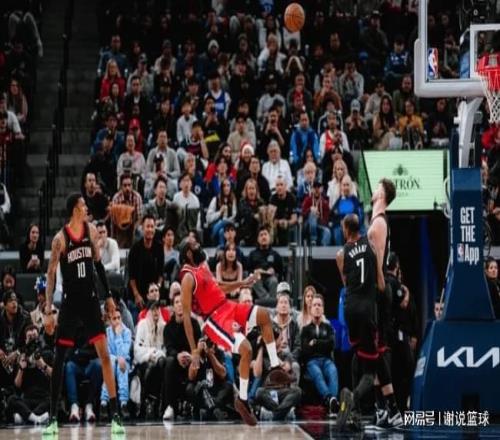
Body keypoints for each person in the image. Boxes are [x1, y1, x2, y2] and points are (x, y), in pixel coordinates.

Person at [179, 236, 289, 426]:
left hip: (228, 305)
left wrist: (242, 283)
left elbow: (219, 286)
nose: (199, 245)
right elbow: (187, 317)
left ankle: (273, 368)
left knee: (264, 316)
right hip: (215, 318)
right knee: (246, 349)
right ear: (189, 253)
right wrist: (194, 350)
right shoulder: (188, 277)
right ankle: (243, 400)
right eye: (195, 244)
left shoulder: (203, 267)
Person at [42, 193, 125, 435]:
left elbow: (98, 265)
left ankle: (116, 415)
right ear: (74, 210)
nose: (86, 208)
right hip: (70, 303)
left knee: (105, 355)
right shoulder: (60, 239)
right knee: (59, 358)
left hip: (90, 301)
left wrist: (107, 296)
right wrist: (48, 309)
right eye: (83, 205)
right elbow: (50, 274)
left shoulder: (91, 231)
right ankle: (52, 419)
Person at [335, 213, 379, 431]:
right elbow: (377, 278)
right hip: (367, 308)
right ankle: (354, 398)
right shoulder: (371, 245)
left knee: (357, 353)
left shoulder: (341, 254)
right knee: (371, 371)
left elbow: (346, 282)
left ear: (345, 229)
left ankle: (355, 412)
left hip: (351, 308)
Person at [365, 178, 402, 429]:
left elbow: (378, 263)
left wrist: (377, 292)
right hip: (375, 289)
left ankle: (393, 409)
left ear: (383, 194)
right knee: (372, 354)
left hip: (378, 289)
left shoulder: (379, 222)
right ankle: (382, 410)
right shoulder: (375, 220)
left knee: (377, 353)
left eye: (377, 186)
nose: (374, 189)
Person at [162, 290, 201, 420]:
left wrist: (191, 355)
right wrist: (178, 356)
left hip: (192, 361)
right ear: (173, 307)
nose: (179, 304)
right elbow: (169, 348)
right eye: (176, 302)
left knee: (199, 361)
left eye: (182, 302)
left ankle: (198, 406)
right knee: (169, 361)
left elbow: (199, 345)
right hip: (176, 363)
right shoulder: (168, 328)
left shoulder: (194, 324)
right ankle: (170, 407)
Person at [300, 294, 339, 415]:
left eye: (319, 305)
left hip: (327, 360)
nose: (317, 307)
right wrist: (323, 344)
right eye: (314, 305)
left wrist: (315, 343)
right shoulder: (305, 329)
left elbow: (331, 345)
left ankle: (331, 402)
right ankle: (330, 400)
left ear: (323, 309)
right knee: (317, 373)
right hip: (312, 361)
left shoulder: (328, 328)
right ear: (310, 309)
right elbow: (305, 350)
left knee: (333, 371)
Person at [7, 325, 52, 425]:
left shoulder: (47, 353)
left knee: (54, 401)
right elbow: (17, 385)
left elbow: (56, 376)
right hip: (27, 399)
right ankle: (36, 418)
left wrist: (43, 365)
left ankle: (26, 417)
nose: (32, 341)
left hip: (44, 398)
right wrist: (21, 369)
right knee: (11, 399)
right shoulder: (21, 357)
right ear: (25, 340)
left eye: (34, 337)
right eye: (29, 338)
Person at [134, 301, 167, 419]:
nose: (155, 312)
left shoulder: (164, 326)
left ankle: (158, 403)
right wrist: (150, 354)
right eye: (153, 309)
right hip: (144, 360)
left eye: (157, 309)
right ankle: (144, 400)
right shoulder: (142, 325)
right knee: (150, 367)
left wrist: (157, 355)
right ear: (148, 312)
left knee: (162, 364)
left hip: (158, 361)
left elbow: (165, 350)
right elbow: (137, 350)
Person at [127, 215, 164, 319]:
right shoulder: (135, 249)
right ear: (142, 228)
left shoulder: (159, 247)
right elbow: (131, 276)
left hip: (152, 293)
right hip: (137, 294)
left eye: (152, 227)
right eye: (147, 226)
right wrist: (136, 295)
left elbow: (161, 273)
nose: (150, 229)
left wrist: (157, 289)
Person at [100, 308, 132, 421]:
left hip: (124, 363)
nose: (117, 321)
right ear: (110, 320)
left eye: (119, 318)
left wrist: (118, 336)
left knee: (121, 366)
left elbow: (124, 353)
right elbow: (106, 354)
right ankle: (104, 403)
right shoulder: (106, 332)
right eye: (114, 319)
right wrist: (117, 359)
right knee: (112, 363)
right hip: (111, 362)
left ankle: (123, 404)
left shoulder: (127, 332)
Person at [247, 227, 284, 306]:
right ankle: (269, 301)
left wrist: (274, 272)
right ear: (258, 239)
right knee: (254, 279)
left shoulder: (275, 254)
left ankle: (269, 302)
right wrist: (255, 272)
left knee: (274, 281)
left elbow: (280, 271)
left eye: (265, 234)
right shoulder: (252, 254)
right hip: (258, 278)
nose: (263, 237)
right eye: (261, 235)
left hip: (270, 278)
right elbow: (249, 270)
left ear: (269, 238)